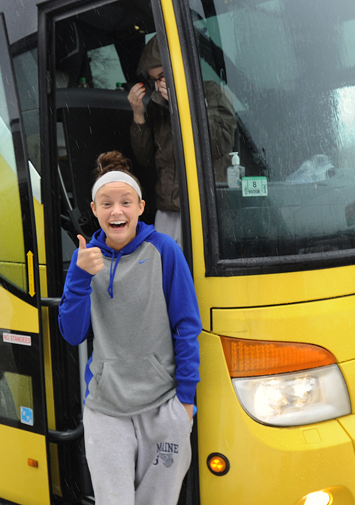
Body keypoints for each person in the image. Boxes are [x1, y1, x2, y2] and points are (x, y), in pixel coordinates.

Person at [58, 151, 201, 505]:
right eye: (106, 204)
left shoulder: (164, 250)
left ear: (141, 206)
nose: (116, 211)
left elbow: (186, 326)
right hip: (106, 409)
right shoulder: (86, 260)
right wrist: (78, 277)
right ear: (94, 209)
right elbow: (72, 334)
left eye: (125, 202)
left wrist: (185, 400)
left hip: (163, 405)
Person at [128, 36, 236, 245]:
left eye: (162, 76)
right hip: (167, 210)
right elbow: (144, 157)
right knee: (167, 271)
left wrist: (185, 104)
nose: (158, 84)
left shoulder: (211, 92)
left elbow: (219, 144)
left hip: (204, 206)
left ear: (176, 69)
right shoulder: (156, 105)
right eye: (154, 79)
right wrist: (138, 115)